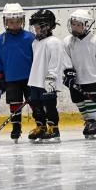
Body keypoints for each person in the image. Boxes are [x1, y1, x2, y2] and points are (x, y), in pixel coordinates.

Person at [62, 9, 96, 139]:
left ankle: (93, 122)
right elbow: (65, 58)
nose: (75, 27)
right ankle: (88, 122)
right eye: (73, 24)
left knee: (91, 103)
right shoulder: (67, 41)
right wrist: (67, 72)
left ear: (86, 25)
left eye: (78, 25)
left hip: (92, 79)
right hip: (76, 79)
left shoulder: (95, 40)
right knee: (80, 102)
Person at [0, 3, 35, 143]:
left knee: (34, 102)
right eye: (11, 22)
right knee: (15, 103)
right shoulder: (0, 40)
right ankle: (16, 127)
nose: (14, 24)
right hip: (11, 79)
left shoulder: (30, 38)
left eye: (17, 21)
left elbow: (37, 57)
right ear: (6, 22)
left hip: (30, 78)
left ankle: (40, 123)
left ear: (22, 21)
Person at [27, 9, 67, 143]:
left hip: (48, 81)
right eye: (35, 27)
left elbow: (56, 62)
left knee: (49, 105)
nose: (36, 30)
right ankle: (41, 127)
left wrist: (51, 78)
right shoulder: (35, 43)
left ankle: (53, 129)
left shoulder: (54, 42)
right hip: (35, 81)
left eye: (39, 27)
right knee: (36, 105)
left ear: (47, 26)